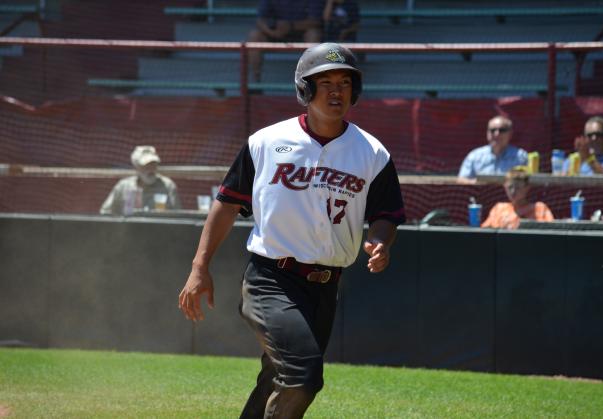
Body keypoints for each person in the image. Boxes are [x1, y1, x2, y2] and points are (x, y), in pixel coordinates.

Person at [178, 43, 405, 418]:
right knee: (303, 375)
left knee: (277, 377)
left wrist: (381, 240)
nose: (336, 91)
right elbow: (228, 203)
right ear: (304, 89)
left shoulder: (372, 153)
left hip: (326, 286)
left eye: (345, 82)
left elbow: (387, 213)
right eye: (325, 81)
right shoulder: (266, 143)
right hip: (271, 279)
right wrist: (200, 266)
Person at [247, 0, 325, 83]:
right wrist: (272, 32)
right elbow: (260, 20)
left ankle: (312, 82)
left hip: (301, 33)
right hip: (276, 33)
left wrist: (291, 26)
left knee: (314, 34)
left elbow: (316, 22)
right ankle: (255, 82)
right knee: (254, 36)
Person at [100, 145, 181, 215]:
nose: (151, 169)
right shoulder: (124, 186)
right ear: (136, 167)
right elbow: (105, 212)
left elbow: (177, 216)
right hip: (129, 230)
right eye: (146, 165)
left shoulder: (168, 186)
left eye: (153, 164)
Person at [457, 115, 528, 184]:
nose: (496, 134)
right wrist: (478, 183)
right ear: (487, 133)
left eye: (502, 130)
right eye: (492, 130)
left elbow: (530, 182)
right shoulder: (474, 156)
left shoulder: (521, 157)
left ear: (510, 134)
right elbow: (461, 180)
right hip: (481, 195)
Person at [481, 167, 554, 229]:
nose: (513, 192)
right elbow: (485, 232)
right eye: (510, 187)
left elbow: (551, 231)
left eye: (518, 187)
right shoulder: (499, 208)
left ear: (527, 188)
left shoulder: (540, 208)